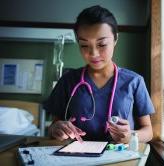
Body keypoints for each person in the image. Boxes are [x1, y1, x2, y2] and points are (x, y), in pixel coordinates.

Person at [44, 5, 155, 144]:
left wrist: (131, 136)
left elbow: (148, 131)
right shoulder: (68, 81)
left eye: (101, 44)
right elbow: (53, 126)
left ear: (115, 39)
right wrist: (56, 128)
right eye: (84, 45)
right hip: (77, 157)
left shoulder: (134, 81)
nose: (93, 54)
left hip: (119, 159)